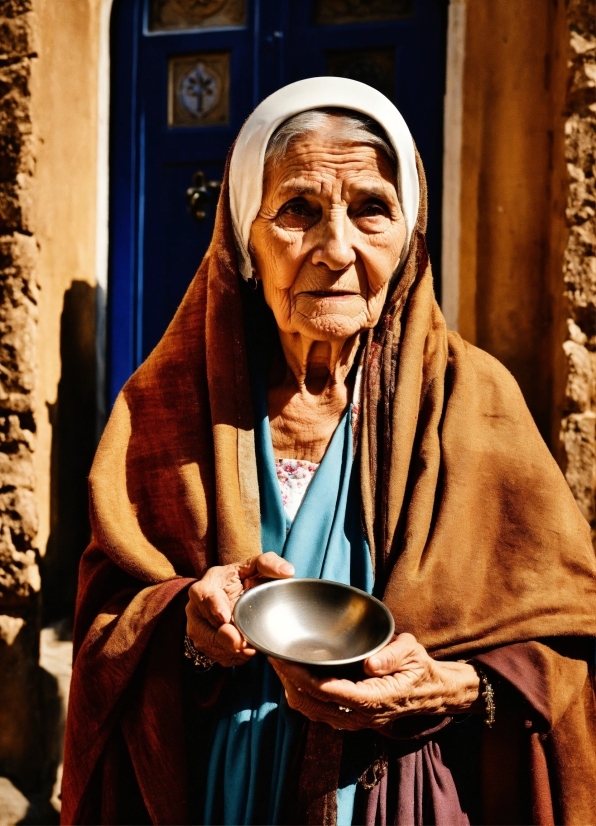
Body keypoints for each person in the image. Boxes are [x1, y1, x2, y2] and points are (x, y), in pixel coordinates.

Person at [61, 78, 596, 826]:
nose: (336, 249)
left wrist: (456, 685)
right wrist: (185, 623)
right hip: (217, 796)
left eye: (372, 208)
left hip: (394, 795)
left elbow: (567, 643)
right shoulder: (167, 407)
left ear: (410, 236)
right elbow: (105, 625)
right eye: (299, 211)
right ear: (245, 240)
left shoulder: (474, 403)